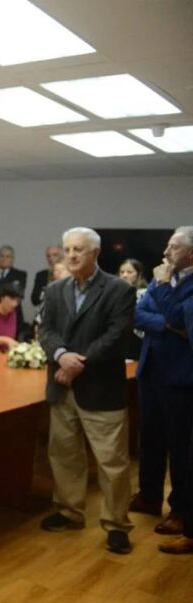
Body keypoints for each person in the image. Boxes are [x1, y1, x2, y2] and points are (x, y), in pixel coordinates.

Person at [38, 227, 136, 555]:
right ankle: (69, 512)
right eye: (67, 249)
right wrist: (61, 355)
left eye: (78, 249)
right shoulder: (55, 290)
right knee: (64, 455)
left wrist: (77, 363)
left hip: (100, 388)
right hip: (62, 388)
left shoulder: (119, 290)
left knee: (112, 462)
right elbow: (46, 330)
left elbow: (116, 336)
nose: (71, 255)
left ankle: (117, 525)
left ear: (95, 253)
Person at [146, 226, 193, 554]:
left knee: (181, 449)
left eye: (173, 247)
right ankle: (149, 497)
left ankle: (181, 512)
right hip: (153, 370)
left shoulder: (165, 279)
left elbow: (179, 316)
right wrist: (168, 325)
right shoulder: (162, 276)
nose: (166, 252)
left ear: (191, 253)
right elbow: (139, 313)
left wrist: (163, 288)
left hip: (181, 376)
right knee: (150, 438)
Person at [119, 258, 148, 361]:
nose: (124, 275)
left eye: (129, 272)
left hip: (140, 341)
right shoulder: (114, 293)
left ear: (138, 274)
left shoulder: (146, 294)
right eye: (122, 272)